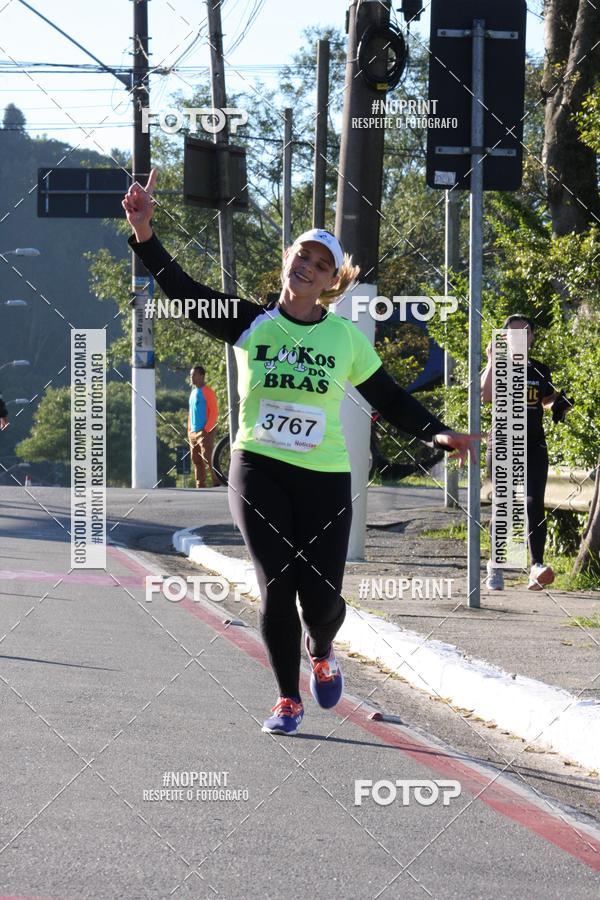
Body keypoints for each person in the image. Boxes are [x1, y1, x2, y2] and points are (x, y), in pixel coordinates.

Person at [123, 169, 479, 736]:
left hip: (325, 476)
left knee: (323, 598)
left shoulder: (344, 339)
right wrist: (145, 233)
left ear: (331, 282)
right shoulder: (251, 323)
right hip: (258, 468)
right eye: (302, 256)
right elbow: (186, 292)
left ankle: (322, 648)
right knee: (276, 584)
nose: (307, 267)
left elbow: (388, 397)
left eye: (320, 264)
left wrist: (438, 432)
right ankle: (288, 699)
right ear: (287, 260)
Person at [481, 314, 570, 592]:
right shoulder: (499, 365)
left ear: (531, 337)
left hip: (534, 444)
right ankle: (496, 565)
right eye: (513, 333)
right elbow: (485, 395)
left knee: (534, 503)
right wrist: (492, 360)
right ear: (505, 338)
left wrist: (559, 402)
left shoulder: (539, 369)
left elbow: (545, 399)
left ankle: (537, 566)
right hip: (503, 443)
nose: (519, 337)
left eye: (525, 332)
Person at [188, 364, 218, 488]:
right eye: (191, 375)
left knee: (207, 457)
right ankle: (200, 484)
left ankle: (217, 481)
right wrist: (189, 430)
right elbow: (190, 412)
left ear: (202, 376)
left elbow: (214, 412)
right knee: (196, 459)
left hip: (205, 430)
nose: (191, 377)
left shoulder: (208, 391)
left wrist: (206, 429)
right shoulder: (193, 392)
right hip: (193, 432)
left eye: (194, 375)